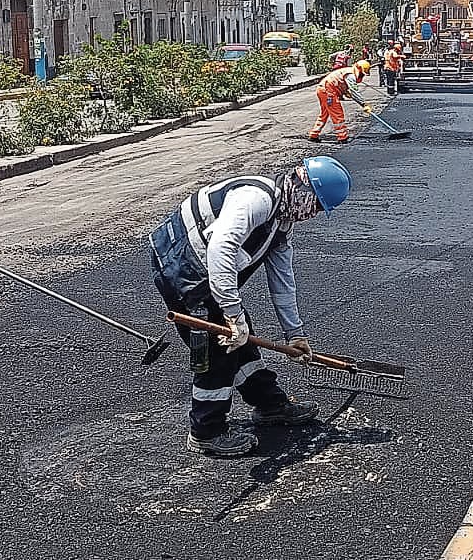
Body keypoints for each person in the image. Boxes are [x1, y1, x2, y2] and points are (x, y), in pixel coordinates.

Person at [150, 156, 352, 457]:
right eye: (317, 205)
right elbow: (221, 248)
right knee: (215, 351)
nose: (313, 214)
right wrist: (232, 314)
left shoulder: (282, 224)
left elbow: (283, 280)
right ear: (302, 186)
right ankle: (206, 432)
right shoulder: (255, 198)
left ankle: (269, 405)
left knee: (241, 341)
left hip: (207, 272)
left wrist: (294, 333)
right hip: (181, 270)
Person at [308, 61, 371, 143]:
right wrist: (363, 104)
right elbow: (354, 91)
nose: (362, 76)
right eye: (362, 74)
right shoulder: (350, 75)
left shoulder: (348, 71)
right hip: (328, 92)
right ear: (359, 69)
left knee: (324, 114)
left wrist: (345, 92)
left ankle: (314, 134)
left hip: (322, 90)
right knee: (337, 113)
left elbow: (341, 83)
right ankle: (342, 137)